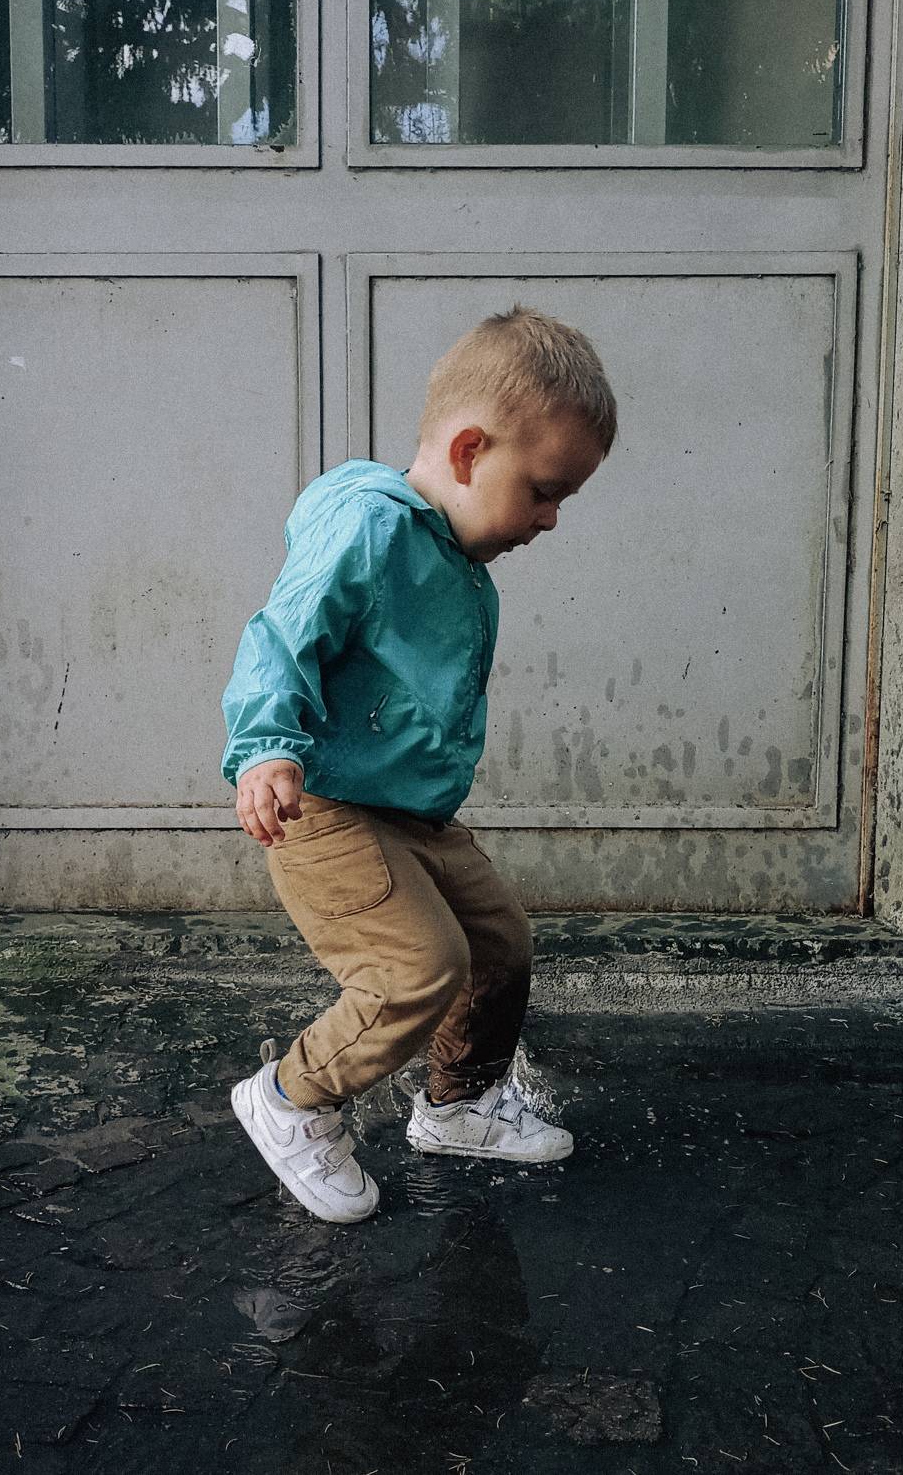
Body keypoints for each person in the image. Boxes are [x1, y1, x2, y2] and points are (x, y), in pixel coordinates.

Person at [220, 306, 616, 1225]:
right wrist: (267, 747)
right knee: (417, 968)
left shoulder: (454, 551)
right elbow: (280, 634)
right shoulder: (368, 526)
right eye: (543, 490)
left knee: (498, 944)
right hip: (325, 805)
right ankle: (291, 1099)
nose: (551, 518)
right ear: (470, 450)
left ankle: (458, 1106)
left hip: (411, 813)